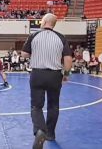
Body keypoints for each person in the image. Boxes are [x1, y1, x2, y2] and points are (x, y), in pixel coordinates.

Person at [21, 13, 72, 149]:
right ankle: (50, 134)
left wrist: (34, 51)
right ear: (54, 24)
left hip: (37, 74)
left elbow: (24, 54)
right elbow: (68, 59)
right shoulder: (61, 37)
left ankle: (40, 130)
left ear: (43, 22)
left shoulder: (34, 35)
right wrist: (66, 74)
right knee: (53, 105)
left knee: (36, 106)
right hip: (55, 75)